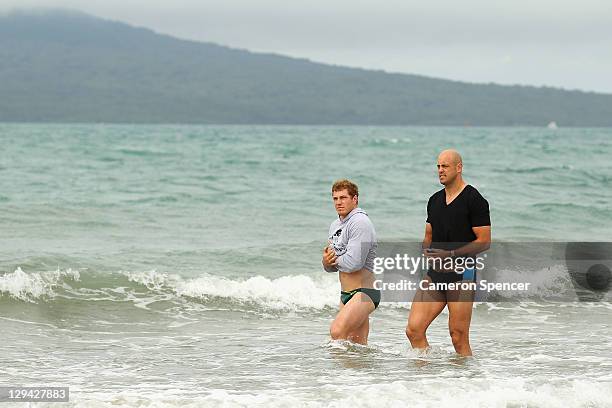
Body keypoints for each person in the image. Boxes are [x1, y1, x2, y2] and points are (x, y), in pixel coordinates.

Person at [406, 149, 491, 356]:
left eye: (445, 166)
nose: (440, 170)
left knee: (458, 336)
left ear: (458, 167)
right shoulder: (434, 200)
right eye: (438, 166)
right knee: (414, 330)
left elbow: (484, 241)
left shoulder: (474, 199)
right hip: (435, 274)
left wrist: (451, 254)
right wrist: (425, 251)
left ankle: (466, 381)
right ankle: (430, 377)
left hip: (463, 274)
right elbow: (428, 234)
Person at [322, 179, 379, 345]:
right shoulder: (335, 225)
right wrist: (326, 261)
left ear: (355, 199)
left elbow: (354, 263)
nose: (339, 202)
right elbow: (331, 266)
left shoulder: (360, 222)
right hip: (346, 294)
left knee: (337, 332)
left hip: (364, 293)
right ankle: (357, 372)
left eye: (343, 197)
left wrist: (333, 260)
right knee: (357, 347)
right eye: (335, 198)